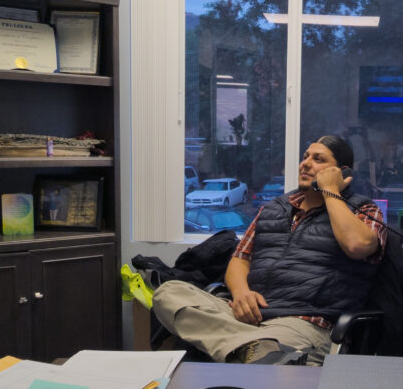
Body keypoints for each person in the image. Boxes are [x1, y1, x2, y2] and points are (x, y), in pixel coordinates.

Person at [151, 135, 386, 366]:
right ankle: (257, 349)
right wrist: (242, 293)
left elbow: (357, 245)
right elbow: (240, 258)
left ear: (342, 172)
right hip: (247, 317)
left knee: (264, 359)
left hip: (302, 323)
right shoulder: (274, 209)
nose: (305, 163)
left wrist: (331, 193)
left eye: (318, 159)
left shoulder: (363, 209)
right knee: (169, 292)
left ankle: (261, 352)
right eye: (305, 157)